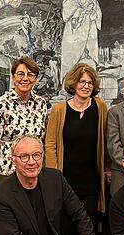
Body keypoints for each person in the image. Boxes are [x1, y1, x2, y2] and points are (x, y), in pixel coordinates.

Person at [45, 62, 108, 218]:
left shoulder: (100, 107)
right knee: (67, 226)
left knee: (89, 225)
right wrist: (54, 175)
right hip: (66, 180)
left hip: (92, 181)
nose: (86, 86)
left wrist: (108, 167)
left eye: (90, 83)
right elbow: (50, 144)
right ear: (74, 83)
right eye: (82, 82)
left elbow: (106, 139)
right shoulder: (59, 110)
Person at [0, 57, 48, 189]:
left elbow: (42, 140)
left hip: (34, 172)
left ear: (35, 79)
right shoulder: (0, 104)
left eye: (30, 75)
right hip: (8, 172)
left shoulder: (41, 104)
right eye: (20, 74)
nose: (25, 78)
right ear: (13, 77)